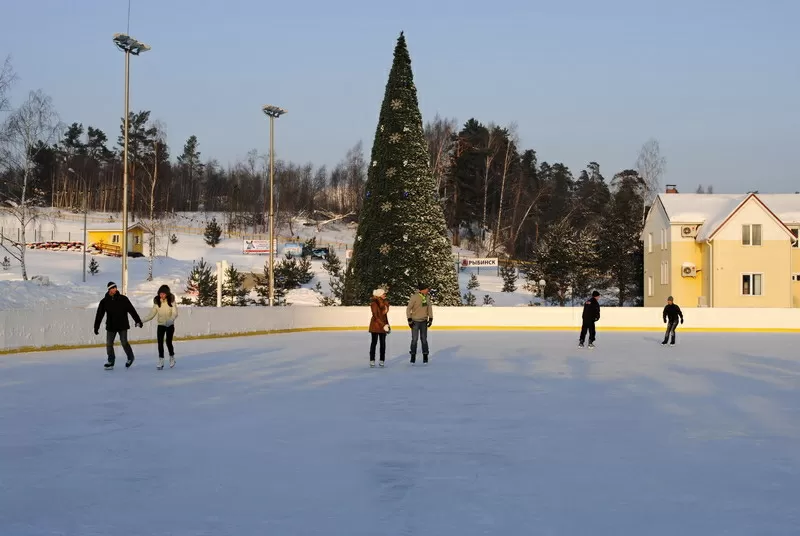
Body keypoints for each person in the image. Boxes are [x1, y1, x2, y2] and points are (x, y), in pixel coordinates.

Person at [94, 281, 143, 369]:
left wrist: (138, 320)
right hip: (111, 325)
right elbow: (99, 315)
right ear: (109, 289)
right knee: (109, 344)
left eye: (115, 287)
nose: (115, 289)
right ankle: (111, 361)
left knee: (124, 342)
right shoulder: (104, 301)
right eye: (112, 288)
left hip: (122, 324)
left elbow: (131, 310)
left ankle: (130, 357)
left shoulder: (123, 299)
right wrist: (96, 327)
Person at [142, 284, 179, 369]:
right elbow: (151, 314)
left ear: (167, 294)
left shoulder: (171, 301)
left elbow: (175, 313)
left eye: (163, 294)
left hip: (170, 325)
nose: (161, 295)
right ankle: (161, 360)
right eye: (160, 293)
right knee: (160, 343)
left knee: (168, 342)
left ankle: (172, 357)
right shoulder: (157, 302)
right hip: (161, 325)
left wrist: (170, 321)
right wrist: (142, 321)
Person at [406, 283, 433, 364]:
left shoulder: (427, 297)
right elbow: (408, 309)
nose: (428, 290)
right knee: (414, 339)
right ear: (423, 289)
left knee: (424, 339)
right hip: (415, 321)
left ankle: (425, 356)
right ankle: (413, 356)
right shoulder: (414, 297)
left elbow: (429, 308)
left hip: (424, 321)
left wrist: (431, 318)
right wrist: (409, 320)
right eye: (427, 289)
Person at [368, 288, 390, 368]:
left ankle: (382, 360)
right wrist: (383, 325)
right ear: (380, 295)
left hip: (383, 325)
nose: (385, 295)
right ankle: (372, 360)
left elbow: (384, 316)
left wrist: (387, 325)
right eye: (384, 294)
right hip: (375, 325)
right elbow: (376, 316)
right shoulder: (374, 303)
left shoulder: (384, 303)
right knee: (374, 343)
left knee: (383, 344)